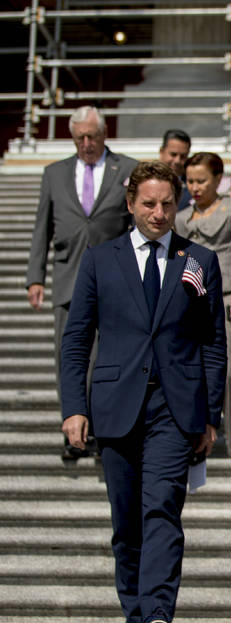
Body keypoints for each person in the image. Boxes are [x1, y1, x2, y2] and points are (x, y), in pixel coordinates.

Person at [60, 160, 226, 623]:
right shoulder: (99, 259)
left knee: (162, 511)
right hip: (114, 404)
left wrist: (210, 414)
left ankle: (157, 614)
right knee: (126, 520)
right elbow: (75, 341)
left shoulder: (199, 260)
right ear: (130, 204)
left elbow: (212, 342)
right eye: (149, 203)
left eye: (168, 203)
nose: (159, 212)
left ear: (180, 205)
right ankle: (134, 622)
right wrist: (74, 406)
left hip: (174, 409)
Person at [27, 105, 138, 460]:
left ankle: (102, 428)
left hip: (114, 279)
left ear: (105, 135)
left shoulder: (128, 169)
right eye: (80, 138)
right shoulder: (54, 173)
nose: (87, 144)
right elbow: (41, 228)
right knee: (69, 355)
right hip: (68, 275)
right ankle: (73, 428)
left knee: (107, 357)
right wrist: (35, 277)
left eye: (93, 137)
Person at [175, 152, 231, 458]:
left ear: (218, 179)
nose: (195, 187)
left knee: (228, 371)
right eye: (190, 181)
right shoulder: (180, 217)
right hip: (187, 296)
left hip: (227, 293)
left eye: (202, 180)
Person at [157, 129, 192, 210]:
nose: (177, 161)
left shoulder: (191, 186)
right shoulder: (145, 180)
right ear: (161, 151)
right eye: (173, 154)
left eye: (183, 156)